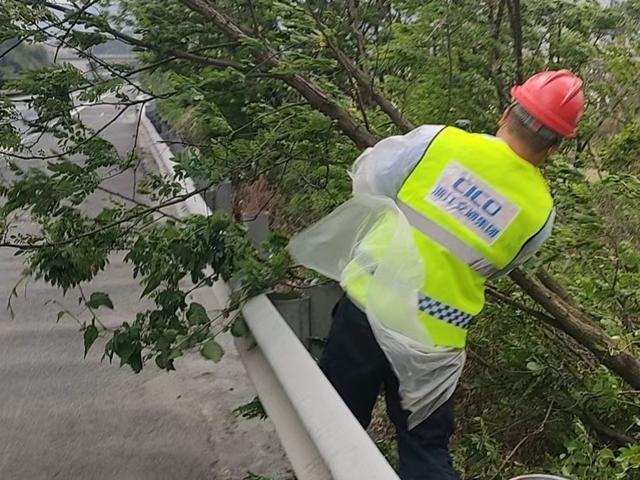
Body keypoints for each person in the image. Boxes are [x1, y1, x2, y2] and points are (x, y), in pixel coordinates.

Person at [291, 70, 585, 480]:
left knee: (331, 431)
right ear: (554, 147)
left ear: (506, 113)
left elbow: (372, 181)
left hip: (368, 307)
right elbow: (499, 267)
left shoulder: (439, 141)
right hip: (435, 341)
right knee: (425, 451)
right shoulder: (541, 214)